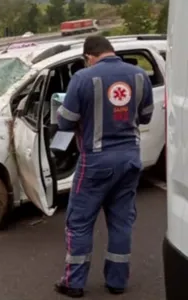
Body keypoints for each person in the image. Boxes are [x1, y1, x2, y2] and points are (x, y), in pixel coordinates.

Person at [54, 35, 154, 298]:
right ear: (111, 51)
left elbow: (65, 123)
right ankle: (117, 282)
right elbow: (146, 116)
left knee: (79, 223)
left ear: (89, 56)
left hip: (96, 162)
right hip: (130, 159)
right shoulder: (140, 75)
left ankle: (73, 283)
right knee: (121, 222)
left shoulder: (83, 79)